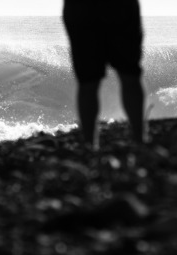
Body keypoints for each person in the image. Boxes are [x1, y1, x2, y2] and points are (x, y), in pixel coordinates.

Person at [63, 0, 146, 149]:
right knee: (129, 75)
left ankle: (90, 147)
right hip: (117, 7)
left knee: (88, 82)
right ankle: (139, 141)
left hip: (82, 9)